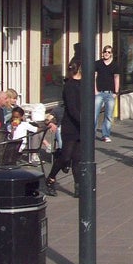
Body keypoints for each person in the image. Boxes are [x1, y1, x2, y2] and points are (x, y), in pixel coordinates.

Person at [45, 59, 83, 197]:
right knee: (66, 156)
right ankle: (50, 178)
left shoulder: (85, 84)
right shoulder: (70, 85)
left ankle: (78, 186)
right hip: (71, 124)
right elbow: (72, 108)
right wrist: (83, 121)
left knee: (78, 158)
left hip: (81, 126)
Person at [94, 44, 120, 142]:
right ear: (102, 53)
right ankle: (92, 134)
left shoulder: (115, 65)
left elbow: (116, 78)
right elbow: (94, 77)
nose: (106, 54)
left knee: (108, 115)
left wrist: (116, 92)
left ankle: (105, 135)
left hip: (110, 93)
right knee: (95, 114)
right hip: (99, 92)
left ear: (111, 54)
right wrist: (95, 90)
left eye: (109, 52)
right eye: (105, 52)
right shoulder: (97, 64)